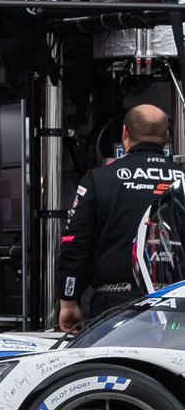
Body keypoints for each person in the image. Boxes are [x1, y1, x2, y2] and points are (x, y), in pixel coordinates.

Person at [57, 105, 184, 330]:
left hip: (115, 305)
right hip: (177, 306)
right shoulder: (182, 180)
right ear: (165, 137)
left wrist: (68, 300)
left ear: (125, 133)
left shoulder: (98, 179)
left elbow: (74, 243)